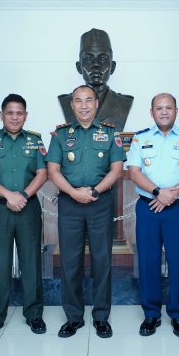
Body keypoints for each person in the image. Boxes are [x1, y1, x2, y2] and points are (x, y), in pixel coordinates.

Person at [46, 85, 126, 338]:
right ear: (72, 105)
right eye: (78, 101)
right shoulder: (60, 135)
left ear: (96, 104)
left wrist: (94, 191)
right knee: (71, 261)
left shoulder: (110, 133)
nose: (83, 105)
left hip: (100, 202)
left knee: (102, 261)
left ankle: (101, 317)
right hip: (70, 204)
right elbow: (53, 171)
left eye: (88, 100)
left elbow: (116, 169)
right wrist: (73, 192)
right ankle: (73, 317)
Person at [127, 93, 179, 337]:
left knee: (178, 260)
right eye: (159, 108)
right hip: (148, 207)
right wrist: (158, 193)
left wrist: (172, 194)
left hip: (178, 208)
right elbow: (134, 172)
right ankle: (151, 314)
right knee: (148, 260)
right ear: (151, 112)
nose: (163, 112)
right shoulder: (140, 138)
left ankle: (178, 314)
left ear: (176, 111)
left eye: (168, 108)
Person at [0, 94, 48, 338]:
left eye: (19, 113)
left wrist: (23, 195)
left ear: (25, 115)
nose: (14, 117)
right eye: (10, 113)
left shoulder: (35, 140)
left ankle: (34, 314)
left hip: (28, 207)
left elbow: (42, 173)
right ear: (1, 115)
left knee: (31, 263)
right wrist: (9, 195)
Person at [58, 28, 133, 132]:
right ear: (79, 67)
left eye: (103, 58)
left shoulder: (124, 102)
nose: (96, 64)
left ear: (113, 67)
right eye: (88, 58)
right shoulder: (66, 101)